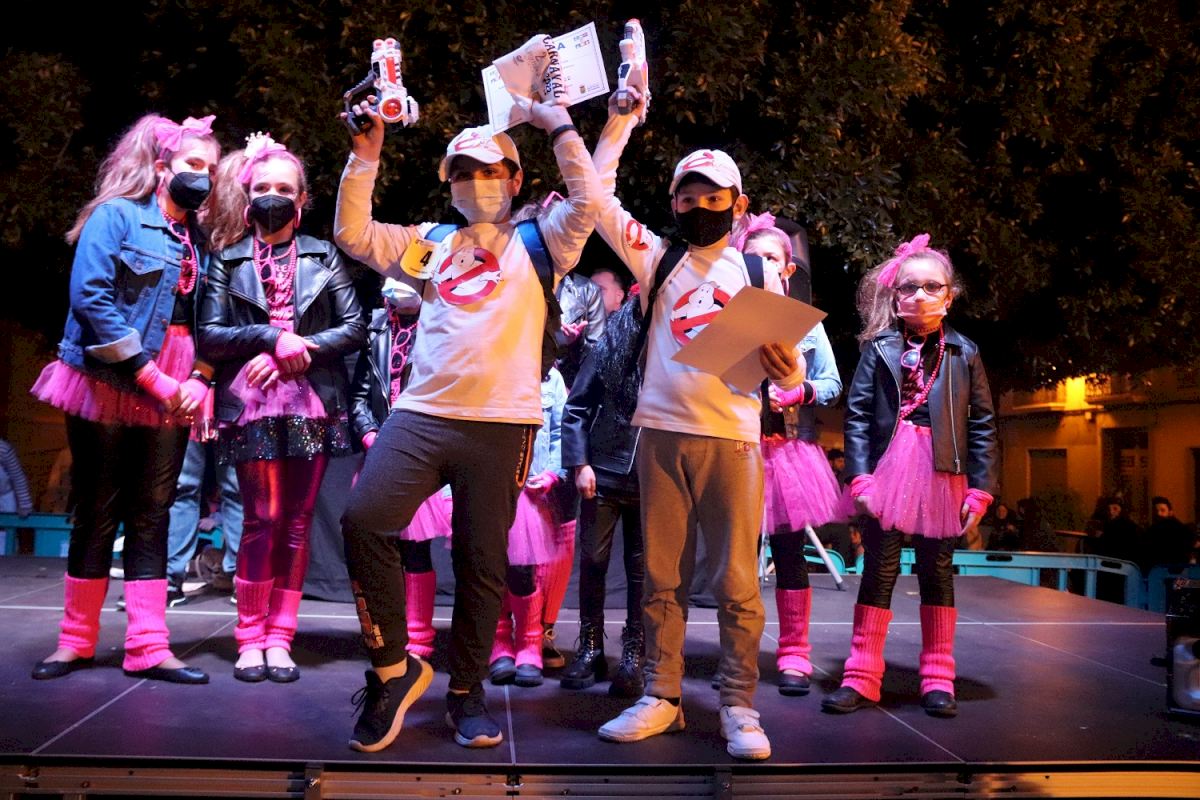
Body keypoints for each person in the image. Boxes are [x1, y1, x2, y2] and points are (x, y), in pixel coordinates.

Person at [333, 92, 599, 752]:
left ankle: (466, 693)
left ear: (516, 180)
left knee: (481, 563)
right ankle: (393, 671)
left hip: (501, 424)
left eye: (489, 171)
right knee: (363, 520)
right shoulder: (430, 244)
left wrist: (557, 124)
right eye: (462, 172)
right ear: (447, 182)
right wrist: (365, 154)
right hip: (421, 414)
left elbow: (588, 200)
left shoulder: (542, 241)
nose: (476, 183)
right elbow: (353, 234)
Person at [590, 87, 805, 761]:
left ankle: (739, 703)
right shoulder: (657, 258)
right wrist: (620, 122)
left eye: (715, 197)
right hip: (660, 435)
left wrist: (790, 370)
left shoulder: (758, 271)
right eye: (688, 197)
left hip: (733, 441)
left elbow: (786, 369)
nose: (700, 207)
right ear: (674, 202)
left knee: (737, 582)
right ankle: (662, 696)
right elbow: (596, 195)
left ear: (739, 205)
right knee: (661, 579)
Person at [29, 114, 221, 684]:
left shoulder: (202, 239)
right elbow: (91, 298)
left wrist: (200, 378)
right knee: (97, 506)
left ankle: (148, 645)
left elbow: (214, 319)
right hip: (113, 376)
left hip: (177, 382)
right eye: (193, 164)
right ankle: (75, 642)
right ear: (162, 167)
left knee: (154, 510)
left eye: (211, 169)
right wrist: (150, 376)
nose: (203, 176)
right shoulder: (117, 216)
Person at [199, 133, 365, 683]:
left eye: (285, 189)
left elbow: (354, 327)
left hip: (310, 399)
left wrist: (299, 352)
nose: (274, 196)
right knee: (261, 518)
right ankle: (249, 636)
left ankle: (280, 636)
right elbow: (211, 334)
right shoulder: (226, 260)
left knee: (296, 522)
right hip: (251, 403)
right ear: (247, 198)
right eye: (263, 187)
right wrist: (272, 337)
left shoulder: (323, 254)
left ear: (302, 199)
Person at [821, 233, 997, 719]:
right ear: (894, 296)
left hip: (942, 475)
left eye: (931, 287)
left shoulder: (965, 352)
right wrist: (860, 477)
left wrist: (981, 489)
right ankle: (861, 675)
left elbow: (982, 423)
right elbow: (858, 416)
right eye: (909, 287)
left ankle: (938, 677)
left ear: (949, 296)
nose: (920, 295)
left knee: (936, 572)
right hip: (889, 473)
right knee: (878, 569)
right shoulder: (878, 349)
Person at [733, 213, 843, 698]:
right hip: (735, 447)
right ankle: (736, 653)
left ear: (787, 267)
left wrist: (801, 392)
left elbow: (833, 384)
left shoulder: (805, 326)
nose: (761, 264)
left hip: (785, 454)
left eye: (770, 257)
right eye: (751, 257)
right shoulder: (726, 318)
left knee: (789, 552)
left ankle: (795, 652)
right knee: (734, 559)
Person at [348, 278, 452, 663]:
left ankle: (419, 635)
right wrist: (369, 434)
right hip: (378, 448)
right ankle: (387, 632)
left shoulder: (442, 324)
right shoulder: (375, 328)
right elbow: (359, 395)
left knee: (416, 549)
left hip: (420, 449)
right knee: (378, 546)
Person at [559, 293, 647, 697]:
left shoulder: (673, 350)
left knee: (641, 570)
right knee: (593, 561)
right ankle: (591, 647)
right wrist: (580, 464)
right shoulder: (609, 344)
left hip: (651, 477)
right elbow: (576, 407)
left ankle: (634, 653)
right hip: (604, 470)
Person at [488, 365, 568, 687]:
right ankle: (499, 642)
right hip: (489, 486)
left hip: (530, 489)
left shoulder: (550, 378)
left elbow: (561, 430)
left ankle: (529, 642)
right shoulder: (487, 365)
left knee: (523, 570)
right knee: (491, 567)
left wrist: (552, 473)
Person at [165, 437, 243, 604]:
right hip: (193, 422)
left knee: (235, 490)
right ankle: (171, 579)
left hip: (229, 422)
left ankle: (242, 577)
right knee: (184, 488)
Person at [1144, 496, 1196, 569]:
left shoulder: (1181, 529)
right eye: (1155, 511)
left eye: (1162, 510)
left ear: (1170, 512)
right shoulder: (1151, 531)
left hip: (1178, 571)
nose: (1158, 513)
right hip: (1156, 571)